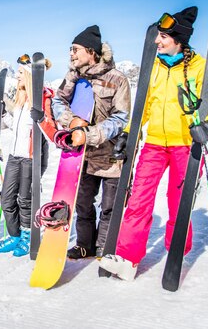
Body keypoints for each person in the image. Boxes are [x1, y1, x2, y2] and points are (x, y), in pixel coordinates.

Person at [98, 6, 208, 281]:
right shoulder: (153, 67)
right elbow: (143, 106)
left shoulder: (201, 67)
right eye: (157, 36)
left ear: (178, 38)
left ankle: (176, 249)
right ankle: (128, 259)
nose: (157, 41)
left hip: (185, 145)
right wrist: (129, 134)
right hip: (155, 144)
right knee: (139, 200)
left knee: (178, 202)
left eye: (163, 37)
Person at [50, 25, 131, 260]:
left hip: (111, 155)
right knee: (83, 203)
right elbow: (58, 102)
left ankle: (105, 248)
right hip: (82, 155)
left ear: (91, 51)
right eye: (70, 49)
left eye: (75, 49)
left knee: (109, 206)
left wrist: (90, 133)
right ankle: (84, 244)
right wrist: (72, 121)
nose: (71, 54)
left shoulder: (117, 80)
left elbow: (121, 118)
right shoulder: (73, 77)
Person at [0, 54, 54, 257]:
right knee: (6, 199)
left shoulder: (43, 99)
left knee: (25, 199)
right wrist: (3, 114)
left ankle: (29, 236)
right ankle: (15, 235)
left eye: (20, 73)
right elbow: (17, 128)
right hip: (14, 156)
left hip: (31, 158)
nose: (17, 77)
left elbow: (50, 131)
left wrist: (41, 118)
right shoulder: (21, 99)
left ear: (29, 75)